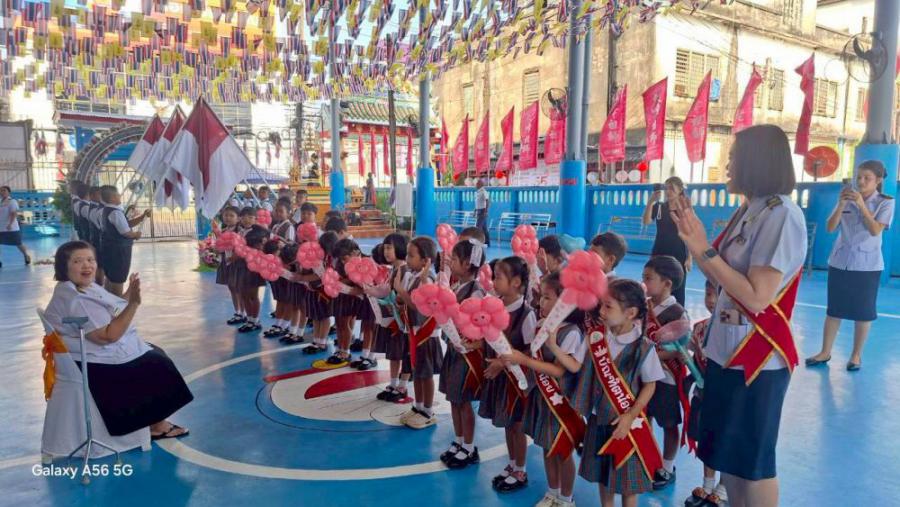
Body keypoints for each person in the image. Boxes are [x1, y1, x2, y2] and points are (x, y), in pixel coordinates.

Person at [670, 124, 807, 506]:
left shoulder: (781, 215)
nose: (727, 165)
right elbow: (720, 275)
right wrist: (695, 242)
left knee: (753, 464)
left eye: (734, 157)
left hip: (757, 358)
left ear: (757, 162)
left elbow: (757, 296)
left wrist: (702, 248)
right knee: (729, 458)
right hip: (726, 351)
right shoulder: (749, 210)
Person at [44, 241, 193, 440]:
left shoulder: (81, 288)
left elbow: (111, 308)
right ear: (64, 267)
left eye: (90, 260)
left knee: (154, 351)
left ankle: (153, 419)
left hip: (86, 352)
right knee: (156, 363)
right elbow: (108, 336)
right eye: (78, 261)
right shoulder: (76, 299)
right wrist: (134, 304)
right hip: (91, 362)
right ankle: (156, 425)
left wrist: (129, 293)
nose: (87, 265)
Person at [575, 279, 665, 507]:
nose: (601, 311)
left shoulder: (644, 347)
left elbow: (650, 385)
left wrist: (630, 415)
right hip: (599, 419)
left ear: (630, 313)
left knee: (627, 484)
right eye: (602, 305)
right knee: (603, 477)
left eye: (608, 306)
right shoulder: (596, 338)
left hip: (627, 426)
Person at [506, 272, 586, 507]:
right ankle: (552, 492)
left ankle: (566, 498)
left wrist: (524, 360)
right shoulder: (541, 325)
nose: (541, 302)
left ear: (565, 303)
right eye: (541, 297)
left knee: (563, 450)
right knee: (547, 446)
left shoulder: (571, 332)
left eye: (548, 298)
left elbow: (560, 371)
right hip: (542, 398)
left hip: (561, 402)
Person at [807, 160, 895, 371]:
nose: (861, 181)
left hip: (867, 265)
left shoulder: (885, 202)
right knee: (834, 310)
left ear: (878, 180)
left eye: (867, 178)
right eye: (859, 177)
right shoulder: (846, 198)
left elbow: (875, 230)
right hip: (840, 262)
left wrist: (862, 205)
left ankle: (856, 355)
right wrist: (841, 204)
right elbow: (830, 227)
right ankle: (825, 352)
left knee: (863, 312)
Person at [479, 256, 537, 493]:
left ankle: (520, 470)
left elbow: (531, 351)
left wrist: (502, 363)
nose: (493, 281)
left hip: (518, 381)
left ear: (515, 282)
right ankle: (512, 464)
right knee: (507, 423)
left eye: (498, 277)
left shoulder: (526, 314)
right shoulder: (495, 307)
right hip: (501, 379)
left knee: (517, 425)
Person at [642, 255, 691, 490]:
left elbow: (679, 351)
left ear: (667, 284)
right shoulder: (643, 305)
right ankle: (649, 459)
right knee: (646, 417)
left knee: (669, 423)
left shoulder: (677, 312)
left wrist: (649, 356)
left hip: (666, 378)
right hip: (644, 375)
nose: (644, 283)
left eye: (648, 278)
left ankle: (667, 467)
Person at [437, 238, 487, 468]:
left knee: (464, 401)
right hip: (454, 350)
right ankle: (458, 441)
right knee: (453, 398)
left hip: (467, 354)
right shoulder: (457, 286)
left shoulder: (476, 292)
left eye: (455, 259)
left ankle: (469, 446)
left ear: (467, 264)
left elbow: (477, 325)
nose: (451, 262)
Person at [685, 280, 729, 507]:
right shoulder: (699, 327)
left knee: (725, 439)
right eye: (708, 294)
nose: (711, 300)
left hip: (726, 396)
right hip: (704, 394)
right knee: (706, 437)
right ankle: (708, 484)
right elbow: (695, 363)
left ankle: (724, 487)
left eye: (717, 295)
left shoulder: (734, 325)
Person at [395, 237, 444, 430]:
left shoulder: (428, 279)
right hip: (414, 333)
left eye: (411, 255)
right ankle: (418, 406)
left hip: (426, 336)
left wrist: (401, 292)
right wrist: (400, 298)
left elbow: (421, 308)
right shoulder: (413, 276)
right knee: (417, 372)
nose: (407, 259)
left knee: (426, 374)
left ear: (425, 261)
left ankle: (428, 411)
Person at [374, 233, 413, 402]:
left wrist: (394, 303)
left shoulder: (404, 270)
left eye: (389, 248)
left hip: (403, 322)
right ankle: (393, 383)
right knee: (394, 353)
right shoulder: (393, 270)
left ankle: (402, 386)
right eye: (385, 248)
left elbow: (404, 297)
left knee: (404, 353)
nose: (386, 252)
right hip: (394, 320)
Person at [643, 177, 691, 305]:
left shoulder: (684, 209)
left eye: (672, 188)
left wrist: (689, 257)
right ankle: (656, 312)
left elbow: (689, 233)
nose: (668, 191)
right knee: (657, 283)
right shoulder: (659, 207)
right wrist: (650, 202)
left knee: (678, 287)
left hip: (679, 252)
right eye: (667, 188)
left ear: (680, 190)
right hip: (660, 250)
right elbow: (646, 221)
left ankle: (678, 312)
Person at [99, 186, 150, 297]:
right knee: (118, 279)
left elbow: (127, 224)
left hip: (110, 249)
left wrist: (142, 217)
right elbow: (126, 232)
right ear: (112, 198)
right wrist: (136, 235)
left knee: (110, 278)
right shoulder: (115, 213)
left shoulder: (107, 210)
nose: (120, 196)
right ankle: (117, 304)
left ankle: (108, 301)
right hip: (119, 251)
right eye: (118, 195)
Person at [0, 185, 31, 267]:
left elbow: (14, 214)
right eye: (1, 191)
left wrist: (10, 224)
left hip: (11, 228)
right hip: (0, 227)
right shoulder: (0, 202)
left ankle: (26, 255)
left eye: (4, 190)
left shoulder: (12, 201)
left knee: (18, 243)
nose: (2, 192)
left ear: (9, 192)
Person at [475, 179, 491, 246]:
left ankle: (478, 241)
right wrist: (475, 210)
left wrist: (486, 211)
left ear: (480, 184)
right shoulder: (478, 192)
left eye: (477, 183)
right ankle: (487, 242)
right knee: (484, 228)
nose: (476, 185)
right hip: (479, 210)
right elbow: (478, 203)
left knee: (478, 227)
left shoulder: (484, 192)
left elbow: (487, 201)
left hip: (482, 211)